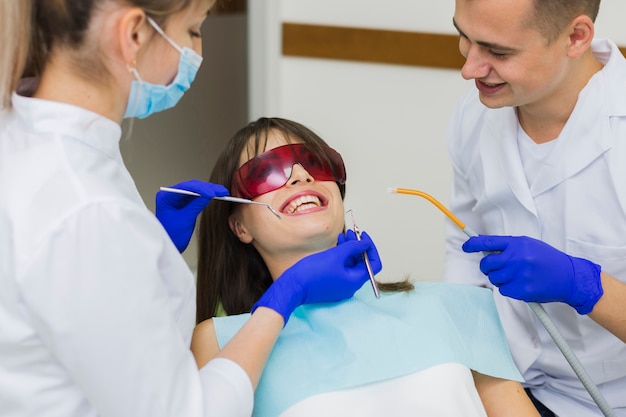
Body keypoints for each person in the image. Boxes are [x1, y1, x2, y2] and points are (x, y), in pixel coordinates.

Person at [0, 1, 376, 416]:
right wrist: (286, 295)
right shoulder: (87, 207)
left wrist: (153, 247)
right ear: (135, 35)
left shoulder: (46, 151)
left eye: (316, 164)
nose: (301, 177)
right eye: (193, 31)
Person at [190, 117, 540, 417]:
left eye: (314, 163)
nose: (300, 177)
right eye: (267, 171)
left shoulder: (452, 306)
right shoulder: (221, 340)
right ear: (239, 227)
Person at [443, 0, 626, 415]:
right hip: (514, 384)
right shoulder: (474, 115)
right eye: (464, 37)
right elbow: (464, 250)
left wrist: (586, 286)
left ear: (576, 38)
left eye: (498, 52)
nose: (469, 69)